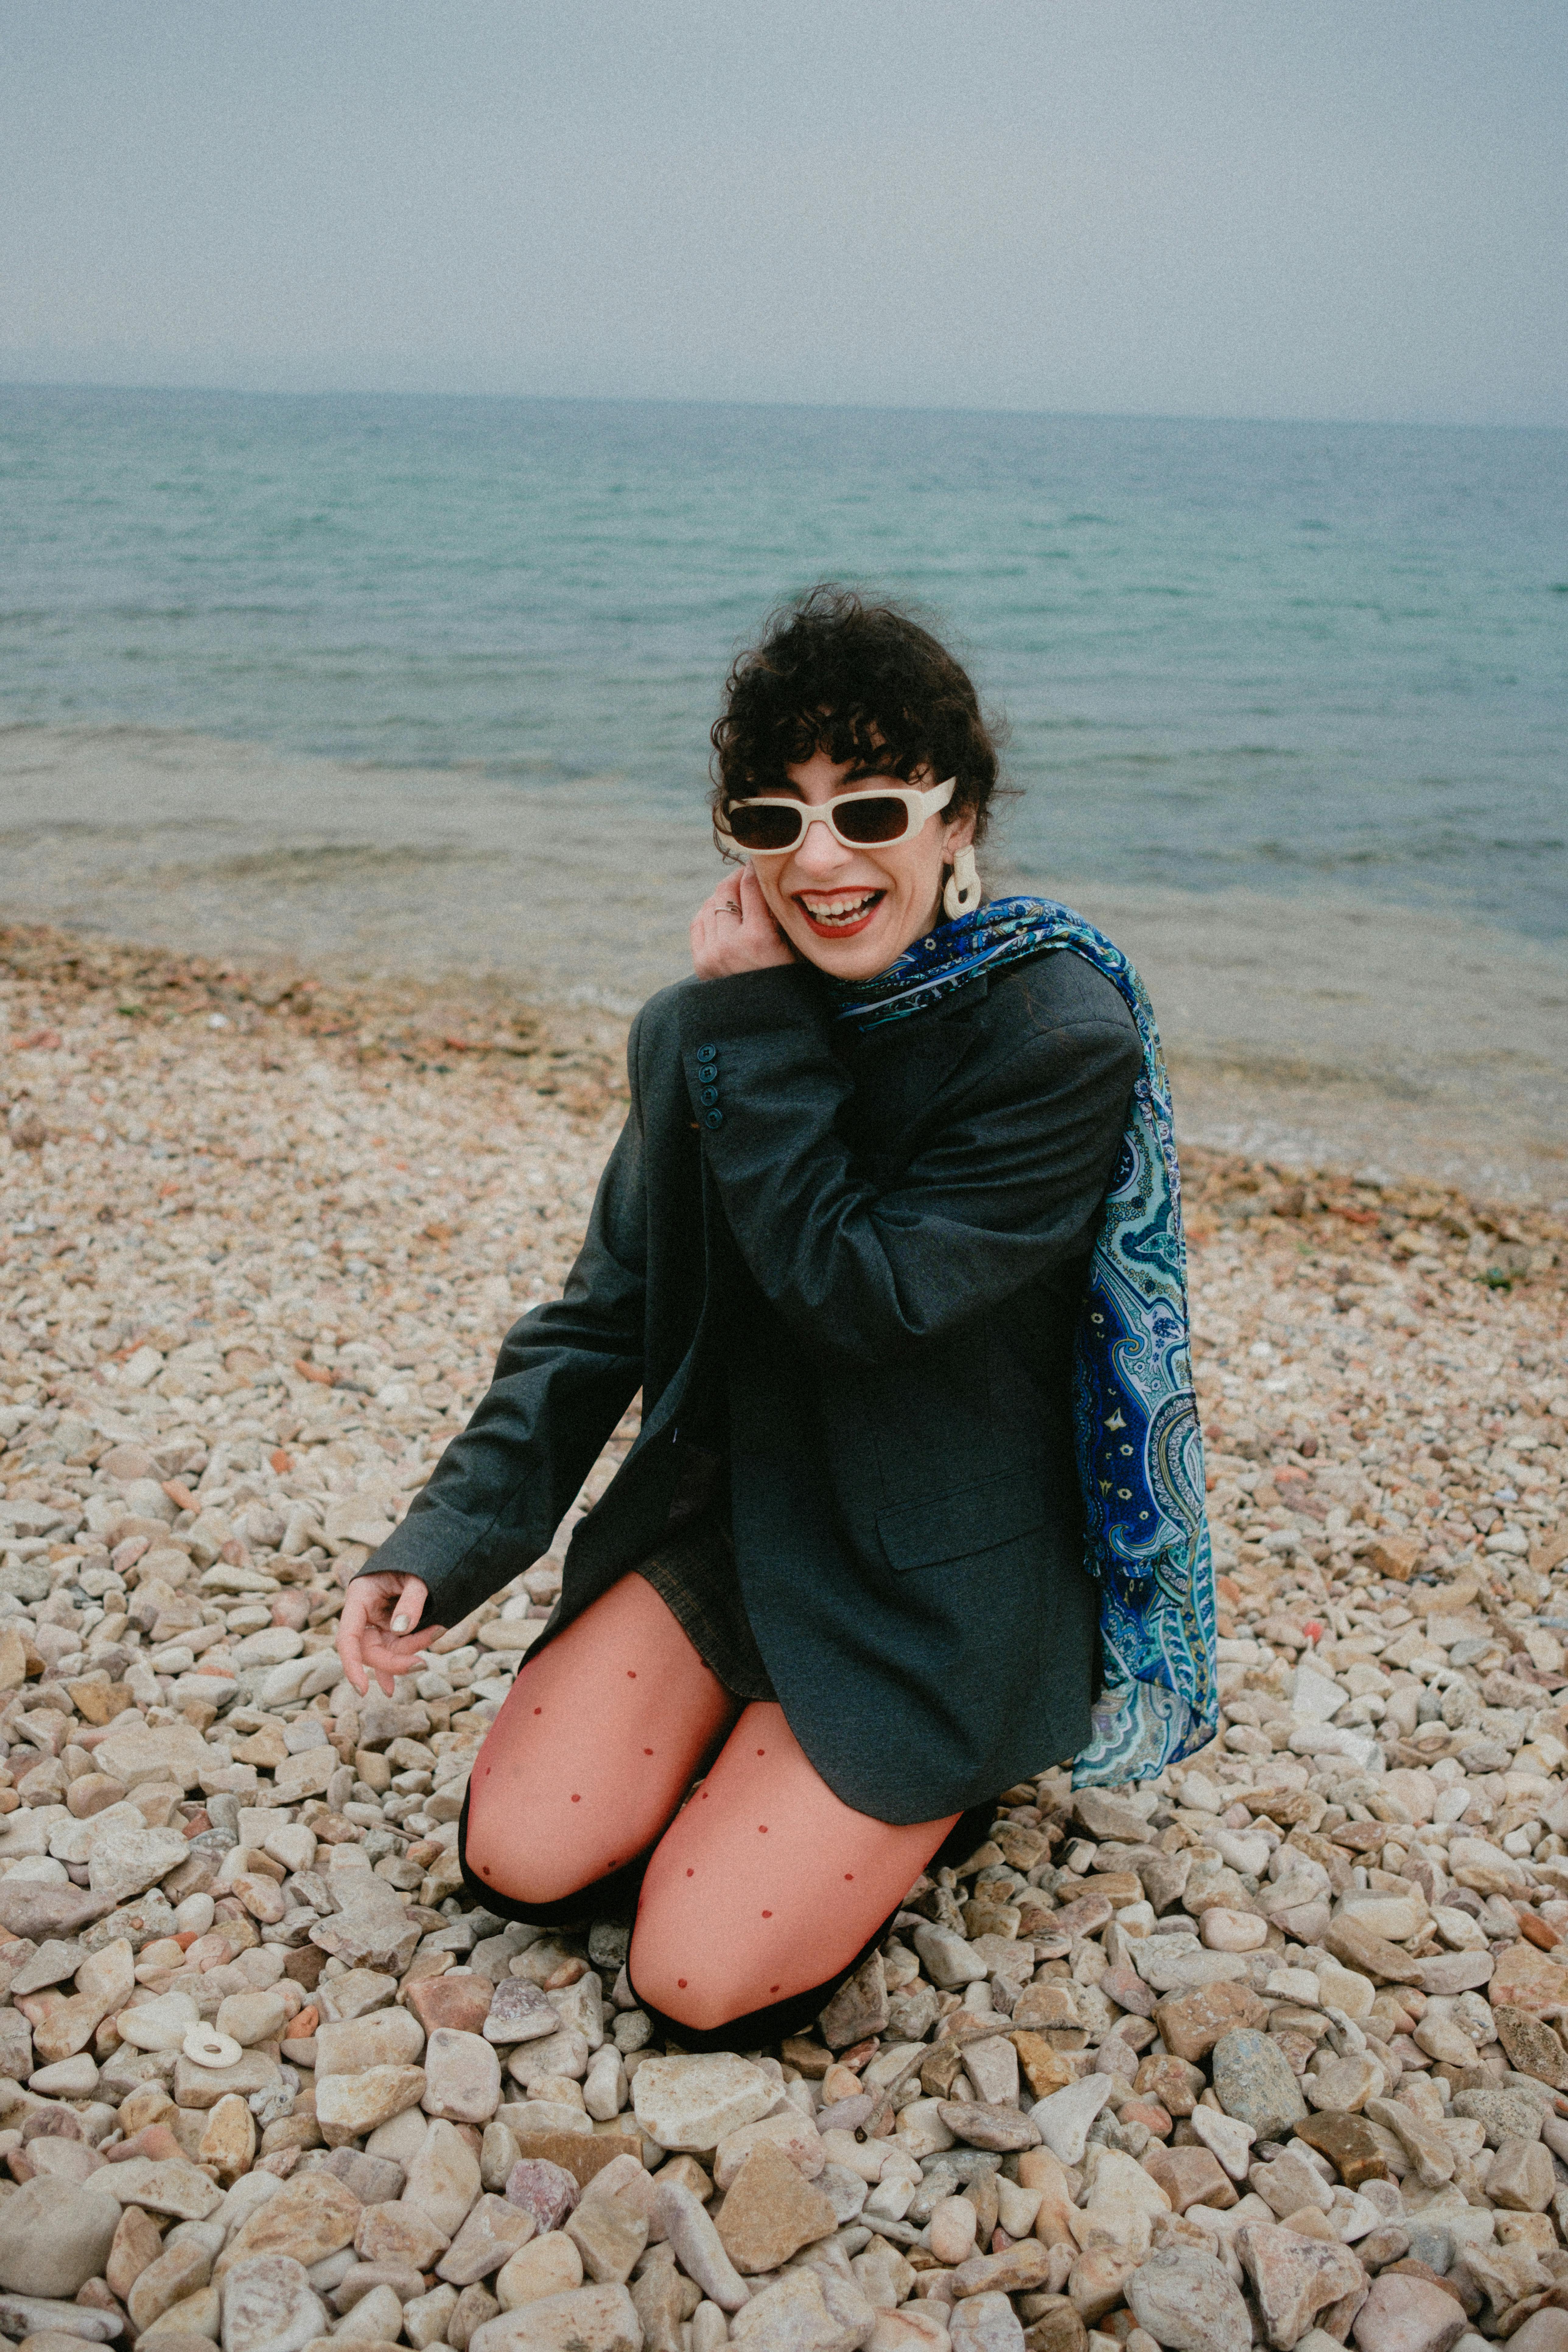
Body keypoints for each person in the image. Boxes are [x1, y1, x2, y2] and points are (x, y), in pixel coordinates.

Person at [338, 585, 1214, 2052]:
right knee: (521, 1858)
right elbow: (599, 1317)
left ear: (956, 818)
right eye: (772, 819)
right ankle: (760, 1750)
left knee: (689, 1975)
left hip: (943, 1567)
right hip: (742, 1522)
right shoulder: (707, 1031)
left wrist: (751, 1036)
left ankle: (943, 1772)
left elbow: (861, 1298)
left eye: (868, 811)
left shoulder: (1056, 1036)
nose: (820, 861)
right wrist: (446, 1542)